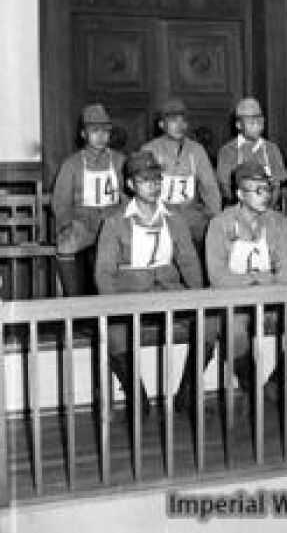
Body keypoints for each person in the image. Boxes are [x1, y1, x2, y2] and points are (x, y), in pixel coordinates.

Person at [94, 151, 205, 418]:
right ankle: (137, 398)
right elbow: (104, 272)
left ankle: (186, 393)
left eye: (157, 179)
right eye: (145, 180)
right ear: (131, 185)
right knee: (116, 334)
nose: (154, 186)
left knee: (210, 325)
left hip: (170, 294)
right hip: (128, 296)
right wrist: (113, 305)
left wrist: (200, 297)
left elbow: (189, 262)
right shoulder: (113, 223)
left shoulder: (175, 219)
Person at [204, 160, 287, 400]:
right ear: (239, 194)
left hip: (273, 298)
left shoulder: (278, 223)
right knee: (234, 330)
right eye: (256, 190)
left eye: (267, 189)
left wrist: (252, 280)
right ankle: (252, 386)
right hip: (235, 301)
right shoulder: (220, 224)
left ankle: (278, 379)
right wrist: (261, 279)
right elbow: (218, 277)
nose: (264, 196)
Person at [52, 104, 125, 296]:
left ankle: (118, 303)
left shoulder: (119, 161)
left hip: (113, 221)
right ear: (84, 134)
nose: (101, 136)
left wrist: (123, 217)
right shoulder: (72, 164)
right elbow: (61, 201)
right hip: (83, 223)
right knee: (66, 244)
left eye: (105, 131)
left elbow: (128, 195)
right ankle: (73, 301)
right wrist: (66, 225)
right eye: (94, 131)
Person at [141, 97, 221, 247]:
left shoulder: (196, 150)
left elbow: (209, 188)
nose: (179, 125)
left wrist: (215, 218)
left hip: (190, 217)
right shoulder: (149, 150)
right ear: (161, 124)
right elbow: (142, 191)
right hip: (160, 215)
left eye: (182, 121)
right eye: (173, 120)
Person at [216, 97, 287, 208]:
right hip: (238, 209)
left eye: (259, 120)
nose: (256, 125)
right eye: (250, 121)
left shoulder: (271, 149)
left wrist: (266, 207)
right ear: (238, 125)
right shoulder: (227, 151)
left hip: (268, 207)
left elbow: (277, 185)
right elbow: (226, 188)